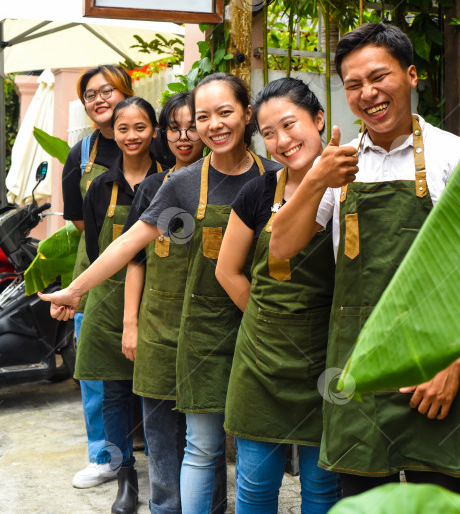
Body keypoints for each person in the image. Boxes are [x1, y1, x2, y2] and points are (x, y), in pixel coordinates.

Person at [40, 73, 280, 514]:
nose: (213, 125)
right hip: (203, 333)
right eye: (203, 116)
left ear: (247, 114)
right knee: (203, 447)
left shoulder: (278, 178)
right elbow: (130, 244)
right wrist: (76, 288)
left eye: (225, 113)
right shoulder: (183, 185)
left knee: (255, 450)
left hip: (261, 330)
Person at [269, 23, 460, 497]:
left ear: (412, 75)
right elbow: (281, 247)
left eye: (379, 77)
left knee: (437, 498)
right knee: (361, 499)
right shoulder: (339, 164)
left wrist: (453, 366)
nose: (368, 94)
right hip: (358, 366)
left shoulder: (452, 156)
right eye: (353, 85)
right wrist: (318, 180)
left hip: (433, 372)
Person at [216, 78, 342, 514]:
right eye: (268, 134)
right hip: (261, 364)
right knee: (254, 487)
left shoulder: (352, 186)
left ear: (319, 119)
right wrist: (269, 323)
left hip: (329, 358)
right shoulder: (258, 191)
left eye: (289, 125)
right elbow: (227, 270)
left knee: (324, 488)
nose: (281, 141)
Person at [74, 96, 161, 514]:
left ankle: (164, 471)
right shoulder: (99, 188)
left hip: (160, 299)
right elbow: (95, 249)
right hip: (110, 301)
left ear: (154, 131)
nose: (131, 136)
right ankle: (124, 473)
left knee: (157, 393)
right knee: (113, 392)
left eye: (140, 127)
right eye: (123, 128)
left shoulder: (171, 180)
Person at [121, 92, 205, 514]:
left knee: (204, 429)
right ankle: (165, 506)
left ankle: (205, 506)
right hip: (156, 325)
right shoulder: (155, 186)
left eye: (193, 125)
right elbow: (135, 259)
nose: (184, 135)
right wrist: (130, 325)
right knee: (158, 427)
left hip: (207, 325)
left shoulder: (235, 183)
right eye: (174, 127)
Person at [62, 65, 134, 489]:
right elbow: (81, 224)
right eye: (91, 94)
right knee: (93, 372)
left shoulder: (155, 141)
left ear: (127, 91)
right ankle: (104, 457)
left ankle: (153, 454)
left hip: (154, 272)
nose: (100, 99)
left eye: (108, 90)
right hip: (94, 273)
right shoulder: (81, 152)